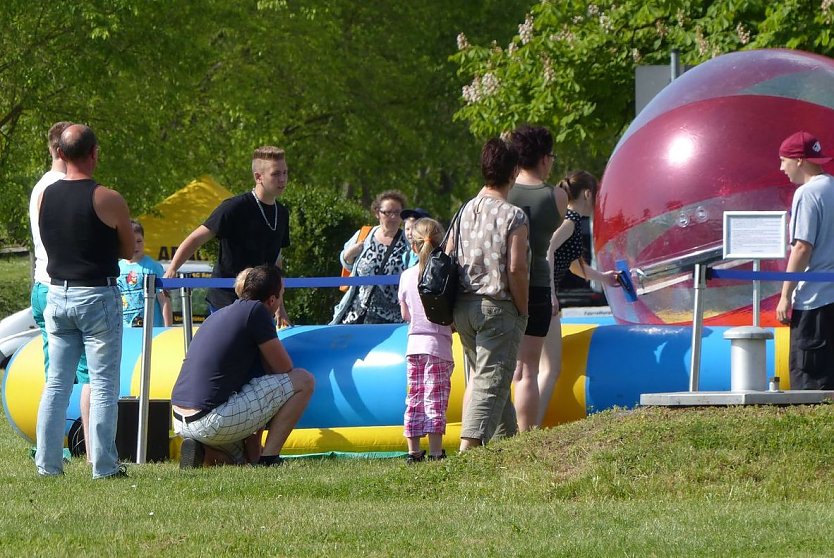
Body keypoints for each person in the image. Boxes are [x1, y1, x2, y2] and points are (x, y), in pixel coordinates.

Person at [35, 124, 135, 479]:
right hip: (96, 294)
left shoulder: (46, 194)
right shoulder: (107, 197)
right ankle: (104, 466)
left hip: (57, 294)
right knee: (105, 382)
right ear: (94, 153)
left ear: (60, 153)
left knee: (57, 382)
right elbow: (127, 249)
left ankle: (48, 465)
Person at [171, 265, 315, 468]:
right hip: (210, 419)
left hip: (180, 419)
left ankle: (202, 451)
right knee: (303, 380)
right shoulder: (257, 311)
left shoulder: (218, 315)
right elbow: (284, 368)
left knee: (239, 462)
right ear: (272, 300)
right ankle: (270, 459)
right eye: (281, 295)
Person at [453, 138, 529, 452]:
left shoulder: (464, 210)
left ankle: (508, 451)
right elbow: (516, 268)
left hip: (463, 307)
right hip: (497, 307)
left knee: (490, 380)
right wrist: (523, 309)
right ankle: (466, 453)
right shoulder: (514, 216)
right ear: (513, 172)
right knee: (489, 383)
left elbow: (447, 254)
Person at [163, 146, 291, 326]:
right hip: (226, 299)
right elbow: (196, 238)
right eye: (276, 174)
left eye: (285, 173)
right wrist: (172, 269)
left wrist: (280, 307)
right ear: (258, 177)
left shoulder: (282, 213)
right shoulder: (234, 207)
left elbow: (276, 261)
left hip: (262, 302)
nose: (283, 179)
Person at [28, 121, 93, 459]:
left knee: (55, 374)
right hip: (61, 286)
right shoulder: (60, 187)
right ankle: (85, 445)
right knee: (83, 374)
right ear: (63, 151)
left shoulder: (42, 185)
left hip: (43, 284)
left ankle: (49, 447)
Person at [537, 171, 620, 425]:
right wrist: (550, 292)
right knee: (550, 369)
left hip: (540, 295)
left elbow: (574, 265)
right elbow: (547, 250)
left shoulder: (570, 223)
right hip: (542, 297)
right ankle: (530, 428)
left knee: (537, 368)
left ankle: (527, 425)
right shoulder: (569, 221)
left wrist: (605, 278)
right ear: (587, 194)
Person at [507, 125, 568, 432]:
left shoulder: (503, 194)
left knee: (508, 369)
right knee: (529, 369)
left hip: (504, 286)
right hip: (538, 286)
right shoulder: (556, 197)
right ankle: (525, 436)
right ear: (544, 159)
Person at [775, 131, 834, 390]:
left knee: (810, 383)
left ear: (799, 160)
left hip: (815, 301)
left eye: (783, 160)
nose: (781, 168)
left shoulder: (807, 193)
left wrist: (785, 295)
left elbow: (801, 248)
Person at [397, 217, 454, 463]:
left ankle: (413, 451)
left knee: (415, 397)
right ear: (441, 243)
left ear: (413, 245)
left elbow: (405, 314)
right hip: (438, 346)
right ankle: (435, 451)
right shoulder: (446, 273)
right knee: (435, 398)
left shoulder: (406, 276)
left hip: (413, 346)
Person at [331, 190, 410, 324]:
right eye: (387, 212)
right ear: (377, 213)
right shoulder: (364, 235)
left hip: (392, 321)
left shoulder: (408, 242)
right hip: (357, 314)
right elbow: (347, 264)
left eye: (397, 213)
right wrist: (349, 255)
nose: (393, 217)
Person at [117, 220, 173, 327]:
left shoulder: (153, 267)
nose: (135, 246)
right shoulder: (118, 268)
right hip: (125, 329)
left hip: (151, 328)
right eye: (131, 241)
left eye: (139, 241)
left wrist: (168, 329)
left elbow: (164, 300)